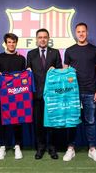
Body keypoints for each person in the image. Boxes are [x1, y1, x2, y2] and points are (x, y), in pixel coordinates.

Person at [63, 22, 96, 162]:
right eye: (79, 31)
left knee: (90, 121)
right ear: (76, 33)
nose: (81, 34)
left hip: (90, 91)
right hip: (72, 93)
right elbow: (65, 72)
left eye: (83, 31)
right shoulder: (69, 50)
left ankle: (92, 149)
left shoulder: (95, 50)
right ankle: (70, 148)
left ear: (87, 32)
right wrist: (68, 79)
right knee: (72, 122)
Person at [27, 28, 62, 160]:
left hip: (52, 95)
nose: (42, 39)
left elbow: (60, 72)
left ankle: (52, 148)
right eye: (40, 37)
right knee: (38, 123)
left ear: (48, 39)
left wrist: (56, 69)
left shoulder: (55, 53)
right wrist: (27, 70)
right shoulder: (31, 54)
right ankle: (40, 147)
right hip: (36, 95)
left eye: (45, 37)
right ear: (36, 39)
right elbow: (27, 72)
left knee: (52, 122)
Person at [0, 33, 25, 160]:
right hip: (3, 96)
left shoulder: (21, 59)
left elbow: (24, 77)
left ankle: (17, 146)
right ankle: (3, 146)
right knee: (3, 121)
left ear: (16, 43)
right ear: (5, 43)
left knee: (18, 121)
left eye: (13, 42)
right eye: (9, 42)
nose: (11, 44)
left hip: (18, 95)